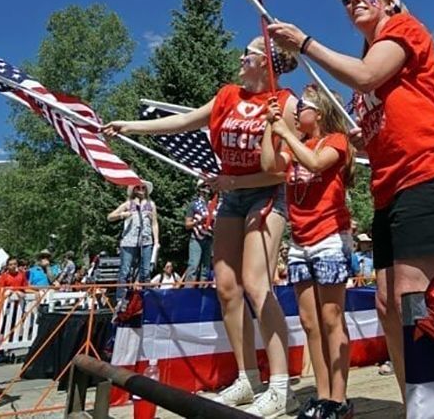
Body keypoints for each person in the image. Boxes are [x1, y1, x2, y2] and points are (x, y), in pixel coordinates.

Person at [268, 0, 434, 398]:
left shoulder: (404, 28)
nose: (354, 1)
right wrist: (368, 136)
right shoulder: (369, 54)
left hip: (430, 171)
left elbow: (366, 75)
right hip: (390, 188)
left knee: (414, 297)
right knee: (387, 304)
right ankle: (417, 402)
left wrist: (304, 43)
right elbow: (381, 106)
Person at [104, 38, 298, 417]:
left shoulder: (285, 104)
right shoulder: (227, 95)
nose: (241, 57)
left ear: (266, 61)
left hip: (265, 194)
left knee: (257, 285)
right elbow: (183, 121)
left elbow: (279, 171)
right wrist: (131, 127)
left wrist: (234, 180)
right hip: (232, 195)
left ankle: (281, 386)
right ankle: (247, 378)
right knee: (226, 287)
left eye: (249, 53)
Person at [260, 84, 356, 419]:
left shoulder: (336, 141)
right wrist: (271, 128)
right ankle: (323, 394)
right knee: (309, 321)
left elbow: (315, 163)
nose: (297, 110)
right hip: (300, 242)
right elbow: (270, 165)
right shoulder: (294, 144)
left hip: (329, 237)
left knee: (331, 317)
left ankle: (339, 399)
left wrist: (286, 132)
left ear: (320, 111)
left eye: (303, 105)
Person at [106, 182, 160, 304]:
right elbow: (110, 217)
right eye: (138, 187)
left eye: (143, 187)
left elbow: (154, 223)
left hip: (146, 240)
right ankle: (120, 299)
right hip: (129, 241)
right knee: (125, 271)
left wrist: (156, 240)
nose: (141, 189)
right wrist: (122, 215)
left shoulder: (151, 205)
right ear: (134, 190)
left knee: (146, 271)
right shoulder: (128, 204)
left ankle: (146, 299)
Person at [184, 182, 216, 284]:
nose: (207, 190)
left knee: (205, 269)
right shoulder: (193, 205)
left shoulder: (213, 206)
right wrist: (198, 221)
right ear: (200, 190)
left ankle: (203, 290)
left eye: (209, 187)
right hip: (196, 238)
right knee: (193, 266)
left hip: (209, 238)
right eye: (205, 187)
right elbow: (187, 224)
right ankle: (188, 290)